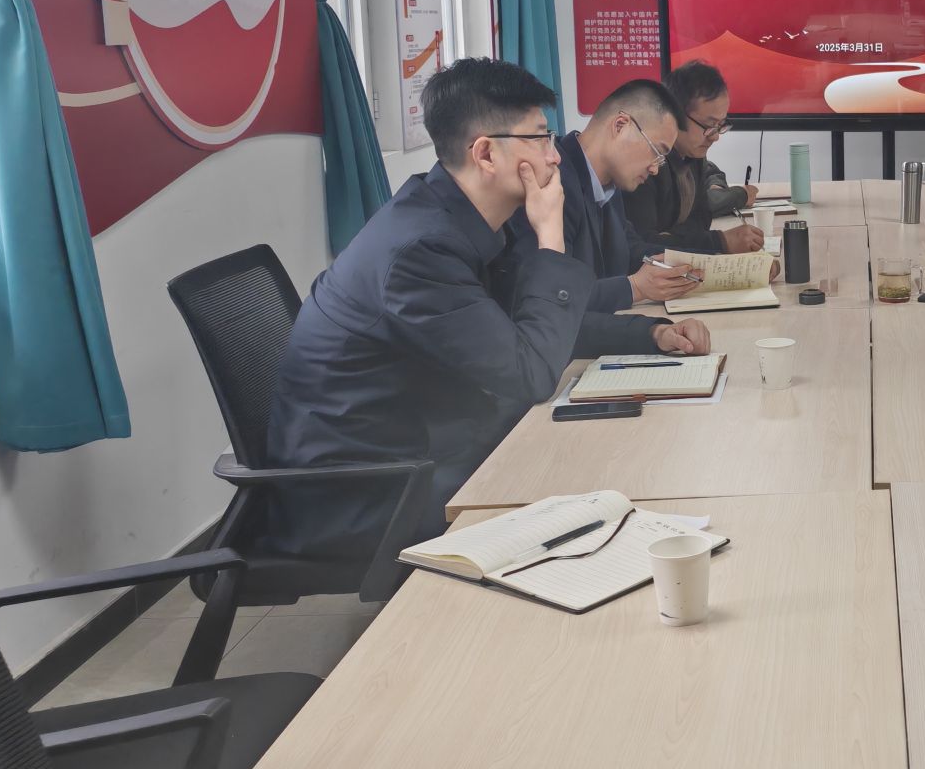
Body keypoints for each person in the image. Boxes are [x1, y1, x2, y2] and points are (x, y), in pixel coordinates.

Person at [264, 60, 604, 554]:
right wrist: (550, 237)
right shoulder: (420, 252)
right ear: (485, 153)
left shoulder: (458, 218)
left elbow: (536, 327)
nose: (555, 156)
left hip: (424, 444)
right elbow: (531, 373)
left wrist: (651, 336)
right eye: (539, 138)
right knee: (583, 488)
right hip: (370, 492)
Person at [552, 79, 723, 356]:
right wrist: (634, 289)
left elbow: (633, 250)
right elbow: (557, 301)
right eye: (657, 152)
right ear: (621, 125)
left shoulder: (609, 183)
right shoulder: (554, 187)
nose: (655, 169)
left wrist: (720, 264)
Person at [624, 61, 766, 257]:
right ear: (675, 114)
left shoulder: (692, 155)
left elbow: (701, 221)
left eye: (720, 125)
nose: (715, 137)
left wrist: (674, 237)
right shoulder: (646, 164)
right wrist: (721, 242)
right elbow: (642, 244)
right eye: (709, 126)